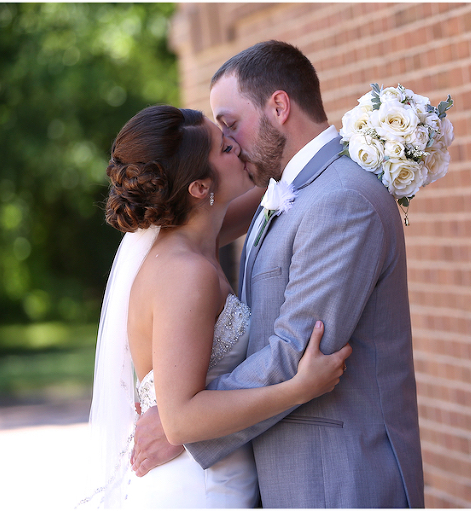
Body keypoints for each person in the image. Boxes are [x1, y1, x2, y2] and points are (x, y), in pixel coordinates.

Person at [132, 40, 424, 507]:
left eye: (230, 125)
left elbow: (297, 351)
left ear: (280, 106)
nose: (228, 143)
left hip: (338, 478)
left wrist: (183, 426)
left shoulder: (340, 199)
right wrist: (181, 415)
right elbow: (191, 219)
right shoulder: (286, 188)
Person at [80, 105, 350, 508]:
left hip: (216, 474)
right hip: (199, 489)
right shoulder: (186, 274)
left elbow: (287, 175)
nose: (240, 148)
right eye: (226, 147)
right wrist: (298, 389)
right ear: (199, 188)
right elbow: (180, 420)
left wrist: (364, 139)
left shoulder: (197, 235)